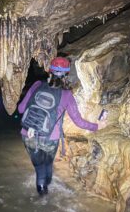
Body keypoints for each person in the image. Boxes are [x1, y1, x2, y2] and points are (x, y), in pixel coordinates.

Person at [18, 57, 107, 195]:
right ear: (66, 75)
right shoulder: (66, 94)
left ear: (49, 71)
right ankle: (46, 189)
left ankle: (41, 196)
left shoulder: (37, 85)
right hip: (50, 138)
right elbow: (78, 121)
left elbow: (21, 109)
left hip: (28, 134)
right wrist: (97, 126)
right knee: (47, 163)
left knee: (39, 167)